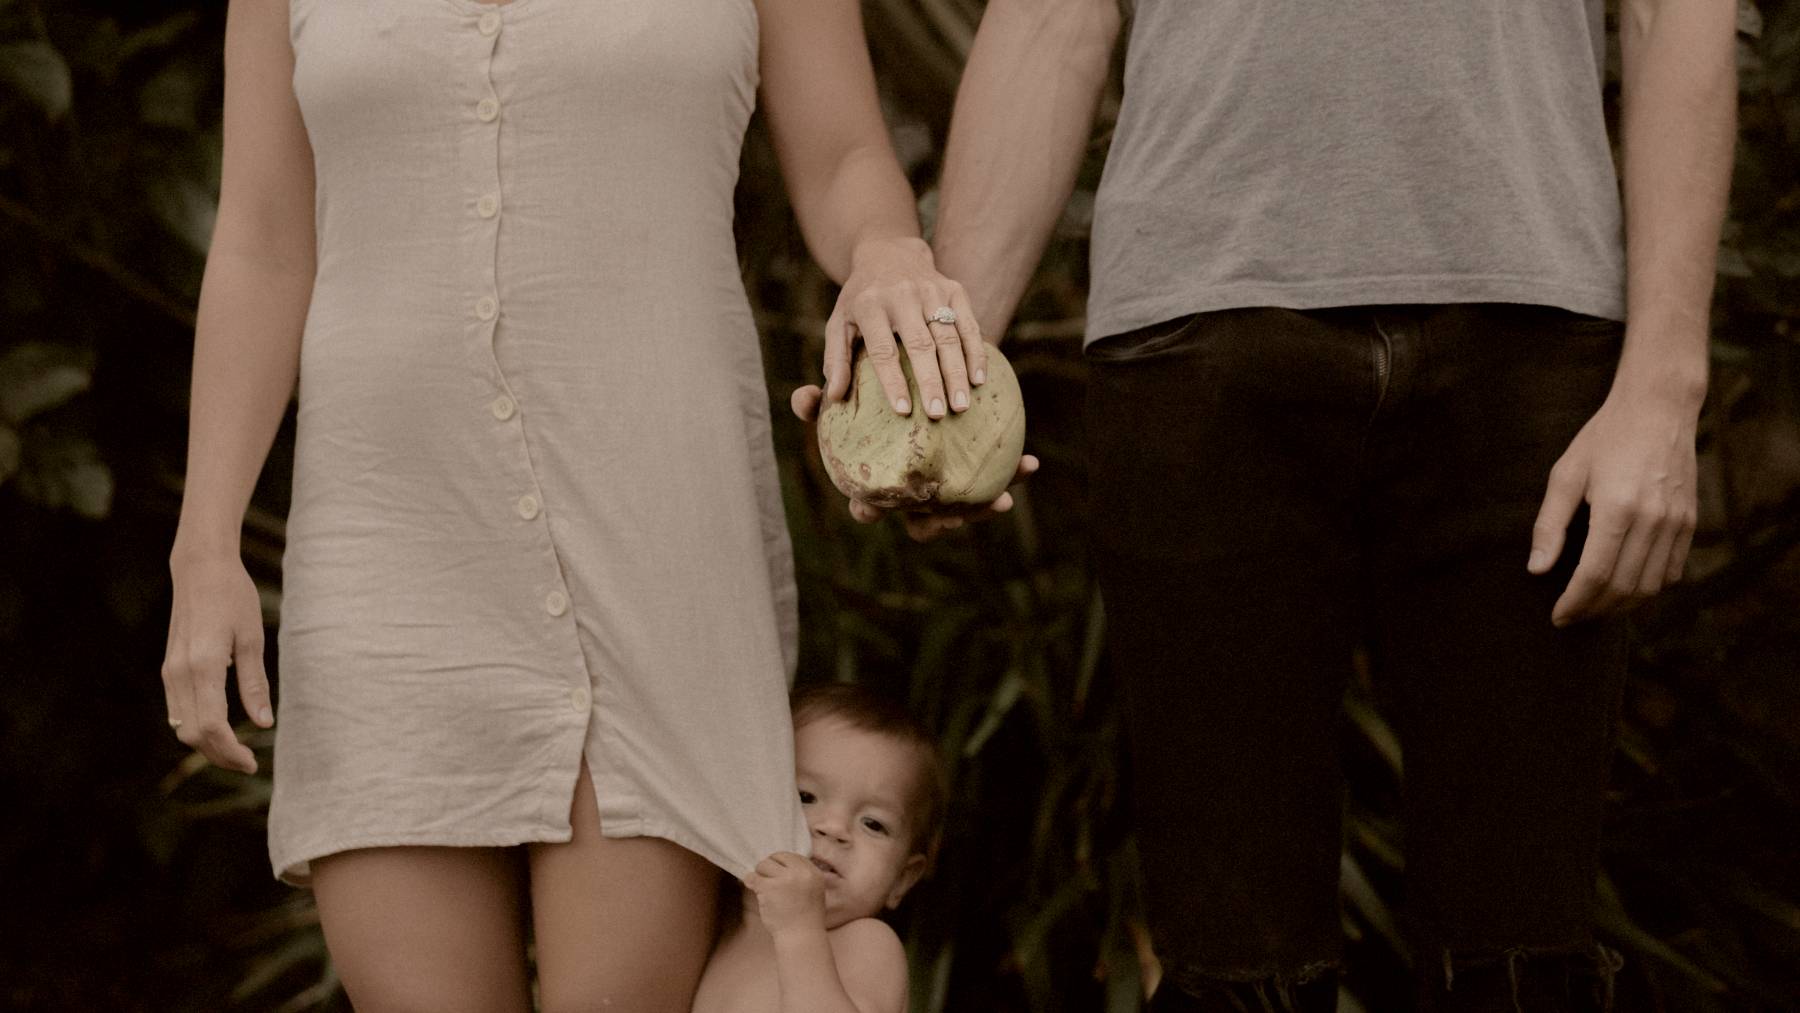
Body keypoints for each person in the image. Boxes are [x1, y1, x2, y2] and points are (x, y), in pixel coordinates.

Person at [813, 0, 1737, 1008]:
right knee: (1232, 957)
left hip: (1531, 338)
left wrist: (1663, 383)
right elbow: (1048, 23)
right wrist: (946, 401)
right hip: (1199, 336)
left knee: (1521, 957)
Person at [157, 0, 990, 1009]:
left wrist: (887, 252)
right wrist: (204, 547)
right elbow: (262, 243)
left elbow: (846, 155)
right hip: (388, 542)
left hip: (655, 535)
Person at [693, 682, 943, 1013]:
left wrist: (799, 931)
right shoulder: (716, 921)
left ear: (902, 880)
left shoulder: (866, 943)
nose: (834, 829)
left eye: (873, 824)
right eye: (805, 797)